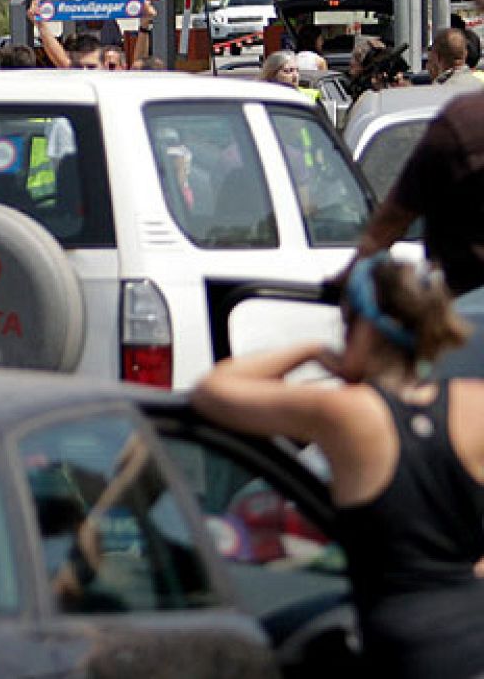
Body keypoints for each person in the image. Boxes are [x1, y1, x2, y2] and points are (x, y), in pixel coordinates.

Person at [192, 254, 484, 678]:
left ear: (365, 329)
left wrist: (311, 351)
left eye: (345, 324)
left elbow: (213, 389)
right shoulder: (475, 403)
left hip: (410, 649)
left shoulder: (346, 413)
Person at [351, 0, 484, 294]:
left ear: (436, 59)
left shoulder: (450, 122)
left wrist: (345, 280)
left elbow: (388, 223)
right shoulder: (471, 95)